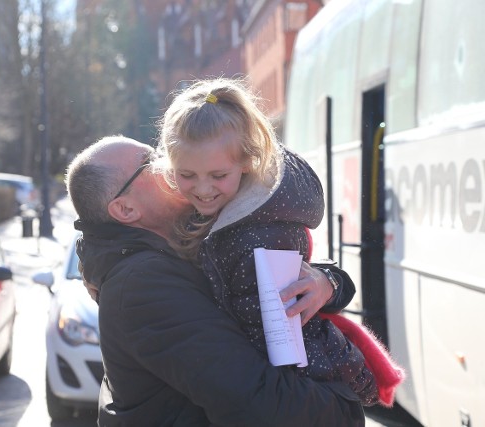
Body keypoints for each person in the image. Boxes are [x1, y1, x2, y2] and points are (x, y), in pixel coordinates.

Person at [67, 135, 365, 426]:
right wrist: (344, 407)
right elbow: (253, 402)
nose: (169, 162)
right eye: (151, 160)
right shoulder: (141, 284)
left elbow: (277, 287)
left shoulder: (181, 247)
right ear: (126, 210)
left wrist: (327, 281)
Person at [155, 77, 398, 406]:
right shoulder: (218, 213)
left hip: (301, 388)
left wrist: (331, 282)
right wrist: (331, 280)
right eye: (187, 175)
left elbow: (277, 347)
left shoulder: (254, 234)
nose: (202, 188)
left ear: (246, 162)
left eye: (218, 176)